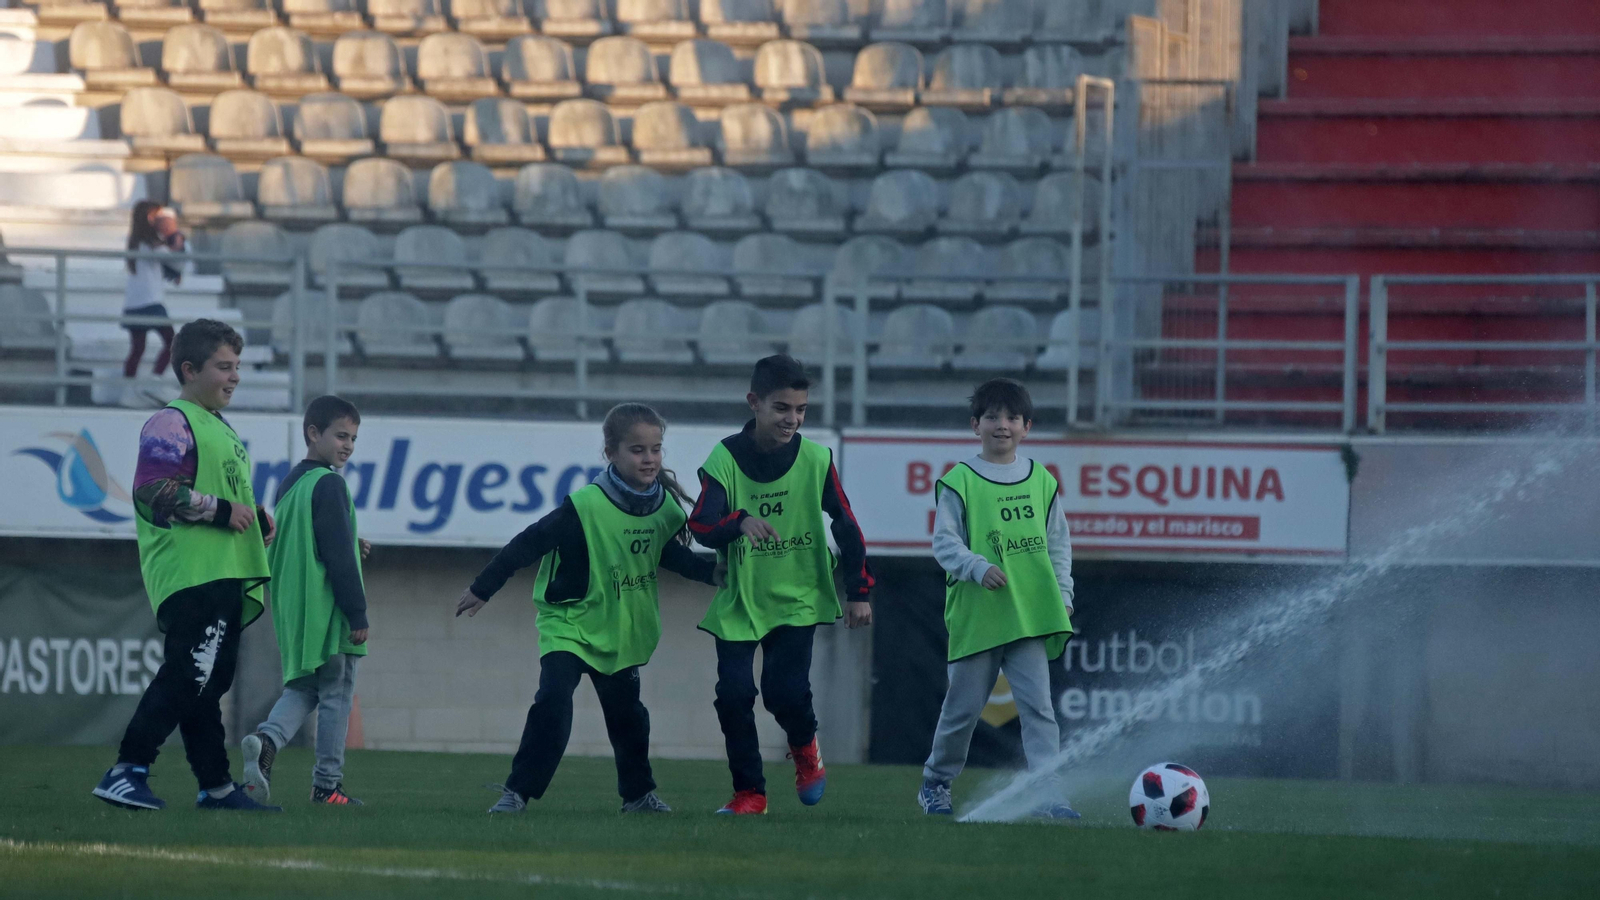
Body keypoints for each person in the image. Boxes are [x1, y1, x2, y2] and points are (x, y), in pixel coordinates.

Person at [454, 403, 719, 815]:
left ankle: (638, 797)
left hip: (621, 629)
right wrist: (483, 588)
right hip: (571, 624)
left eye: (656, 449)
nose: (649, 459)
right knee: (553, 704)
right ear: (610, 453)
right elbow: (528, 542)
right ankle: (516, 794)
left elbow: (671, 557)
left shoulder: (666, 509)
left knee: (629, 718)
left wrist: (717, 574)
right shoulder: (584, 506)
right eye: (637, 450)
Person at [91, 318, 281, 813]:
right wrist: (223, 511)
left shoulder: (218, 426)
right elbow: (152, 491)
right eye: (224, 366)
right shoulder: (171, 421)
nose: (234, 376)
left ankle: (216, 787)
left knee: (205, 683)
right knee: (188, 674)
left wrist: (254, 515)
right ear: (190, 369)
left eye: (237, 366)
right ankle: (126, 769)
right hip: (192, 573)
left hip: (219, 572)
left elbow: (219, 493)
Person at [689, 354, 874, 816]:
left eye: (801, 410)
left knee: (783, 694)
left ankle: (805, 747)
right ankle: (750, 793)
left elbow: (846, 524)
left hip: (799, 596)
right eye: (782, 408)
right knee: (733, 696)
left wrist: (859, 591)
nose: (793, 419)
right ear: (754, 402)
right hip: (741, 600)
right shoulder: (724, 458)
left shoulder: (816, 458)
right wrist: (740, 521)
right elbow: (702, 525)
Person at [918, 378, 1077, 818]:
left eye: (1011, 417)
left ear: (1027, 427)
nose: (1001, 425)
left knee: (1039, 710)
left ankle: (1050, 792)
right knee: (962, 711)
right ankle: (936, 781)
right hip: (979, 616)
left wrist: (1063, 593)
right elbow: (944, 544)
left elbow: (1058, 544)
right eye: (991, 416)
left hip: (1028, 615)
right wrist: (977, 566)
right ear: (975, 425)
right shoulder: (959, 480)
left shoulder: (1042, 479)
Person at [241, 395, 371, 807]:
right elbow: (335, 553)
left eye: (353, 437)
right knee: (338, 692)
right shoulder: (331, 483)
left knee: (304, 688)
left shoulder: (292, 482)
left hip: (296, 608)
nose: (348, 445)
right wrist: (357, 611)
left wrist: (354, 542)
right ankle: (327, 786)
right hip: (328, 610)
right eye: (340, 435)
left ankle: (267, 740)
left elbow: (313, 539)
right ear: (313, 434)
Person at [121, 202, 187, 408]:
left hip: (133, 303)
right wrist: (176, 243)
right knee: (173, 343)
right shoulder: (151, 242)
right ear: (150, 217)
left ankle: (128, 391)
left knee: (138, 348)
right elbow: (175, 261)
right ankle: (155, 381)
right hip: (150, 301)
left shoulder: (134, 240)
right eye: (157, 216)